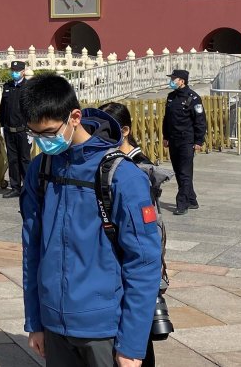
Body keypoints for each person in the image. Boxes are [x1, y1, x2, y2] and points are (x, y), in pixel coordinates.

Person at [20, 75, 162, 367]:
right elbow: (32, 249)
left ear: (75, 117)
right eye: (35, 134)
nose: (43, 142)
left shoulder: (122, 176)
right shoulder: (41, 169)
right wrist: (35, 320)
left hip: (104, 327)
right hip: (53, 324)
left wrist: (132, 345)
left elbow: (144, 262)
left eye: (49, 133)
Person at [101, 102, 176, 367]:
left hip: (133, 254)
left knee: (137, 329)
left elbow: (152, 223)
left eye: (106, 131)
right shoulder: (107, 163)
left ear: (124, 131)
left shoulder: (138, 166)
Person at [161, 69, 205, 216]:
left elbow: (200, 121)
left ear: (182, 81)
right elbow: (167, 119)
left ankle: (182, 203)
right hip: (173, 139)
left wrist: (199, 141)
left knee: (185, 172)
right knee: (179, 171)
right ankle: (192, 200)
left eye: (174, 79)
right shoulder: (171, 97)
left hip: (187, 140)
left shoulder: (193, 98)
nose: (171, 81)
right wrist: (165, 136)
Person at [0, 60, 30, 198]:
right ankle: (15, 187)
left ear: (23, 71)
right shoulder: (8, 86)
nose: (14, 73)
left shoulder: (28, 87)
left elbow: (32, 110)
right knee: (12, 160)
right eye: (13, 71)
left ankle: (28, 188)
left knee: (24, 160)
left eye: (17, 71)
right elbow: (3, 108)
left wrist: (31, 130)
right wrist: (1, 125)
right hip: (9, 130)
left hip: (23, 130)